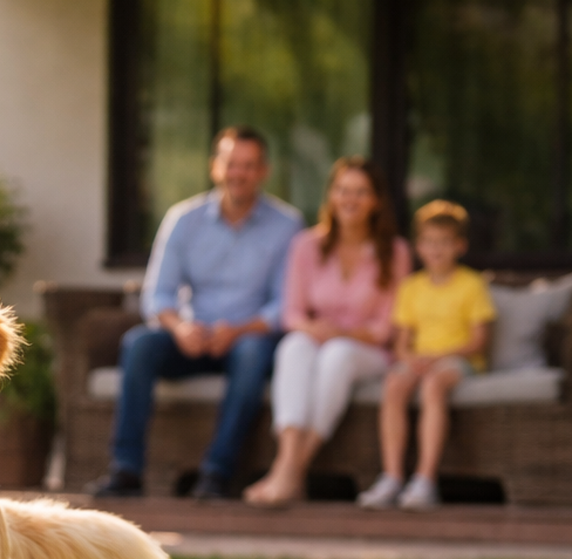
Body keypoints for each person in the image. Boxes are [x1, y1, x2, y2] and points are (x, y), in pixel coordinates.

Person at [89, 126, 303, 499]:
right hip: (191, 338)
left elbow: (284, 304)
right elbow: (158, 294)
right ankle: (126, 470)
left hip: (248, 340)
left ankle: (216, 474)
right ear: (215, 167)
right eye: (231, 164)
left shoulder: (287, 225)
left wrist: (237, 331)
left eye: (249, 165)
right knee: (139, 344)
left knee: (252, 353)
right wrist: (180, 328)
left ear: (263, 171)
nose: (239, 173)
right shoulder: (183, 219)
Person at [244, 158, 411, 507]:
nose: (350, 199)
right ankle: (288, 458)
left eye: (361, 192)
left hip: (367, 351)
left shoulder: (395, 252)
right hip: (316, 339)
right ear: (331, 196)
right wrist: (314, 329)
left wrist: (343, 334)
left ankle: (290, 470)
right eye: (343, 190)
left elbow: (387, 328)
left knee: (338, 355)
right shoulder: (306, 245)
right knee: (293, 346)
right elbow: (292, 313)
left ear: (376, 201)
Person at [357, 200, 495, 510]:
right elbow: (401, 343)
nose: (436, 250)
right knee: (394, 384)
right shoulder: (411, 287)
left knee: (434, 385)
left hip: (458, 360)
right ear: (418, 246)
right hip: (419, 360)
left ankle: (425, 479)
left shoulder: (472, 285)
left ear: (460, 246)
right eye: (430, 242)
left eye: (444, 242)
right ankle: (391, 476)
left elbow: (479, 341)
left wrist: (438, 356)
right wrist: (409, 359)